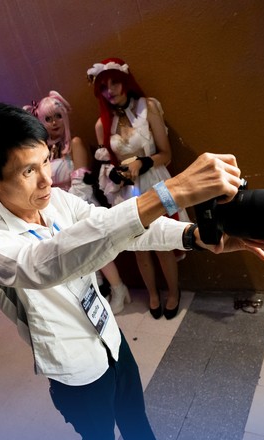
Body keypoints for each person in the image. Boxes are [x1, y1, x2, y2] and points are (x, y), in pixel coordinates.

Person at [0, 103, 264, 440]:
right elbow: (46, 263)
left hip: (108, 333)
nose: (46, 179)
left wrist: (194, 235)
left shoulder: (59, 203)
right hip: (73, 366)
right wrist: (166, 194)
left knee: (132, 407)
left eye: (46, 161)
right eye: (28, 171)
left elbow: (119, 228)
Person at [88, 57, 186, 319]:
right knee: (139, 247)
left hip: (156, 181)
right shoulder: (102, 124)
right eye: (104, 87)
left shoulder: (148, 107)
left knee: (163, 241)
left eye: (115, 83)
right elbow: (108, 164)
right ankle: (152, 294)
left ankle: (173, 292)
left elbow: (166, 154)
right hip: (127, 190)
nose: (111, 91)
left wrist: (143, 162)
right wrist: (115, 174)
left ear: (126, 81)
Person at [26, 91, 131, 313]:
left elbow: (81, 184)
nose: (54, 123)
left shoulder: (75, 143)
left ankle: (119, 288)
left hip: (77, 203)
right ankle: (98, 292)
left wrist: (65, 210)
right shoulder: (45, 150)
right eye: (48, 118)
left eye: (58, 116)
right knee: (78, 256)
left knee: (95, 250)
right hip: (53, 208)